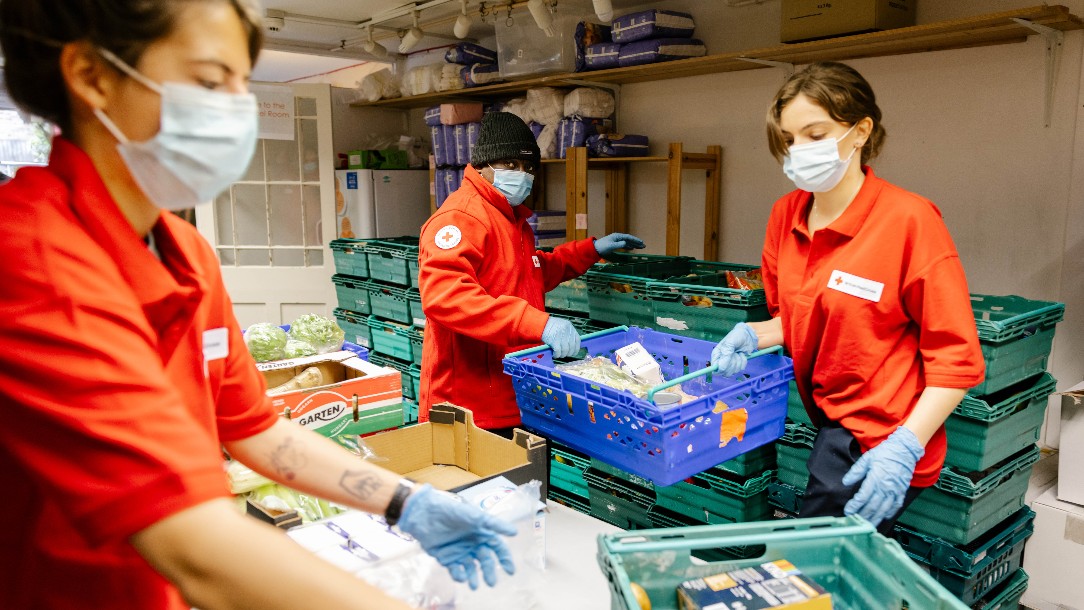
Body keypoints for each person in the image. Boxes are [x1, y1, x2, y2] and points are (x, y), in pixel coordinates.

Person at [0, 1, 517, 608]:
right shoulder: (32, 263)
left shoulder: (185, 251)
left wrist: (403, 499)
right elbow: (193, 542)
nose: (238, 111)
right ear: (92, 76)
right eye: (212, 82)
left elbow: (255, 429)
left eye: (243, 85)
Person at [711, 62, 985, 535]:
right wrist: (754, 335)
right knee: (840, 561)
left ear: (860, 132)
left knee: (813, 568)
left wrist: (904, 445)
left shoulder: (909, 221)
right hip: (832, 417)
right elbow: (798, 317)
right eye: (789, 140)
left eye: (815, 134)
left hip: (884, 434)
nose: (799, 152)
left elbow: (956, 361)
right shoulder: (786, 216)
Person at [418, 111, 645, 436]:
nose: (521, 175)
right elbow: (446, 298)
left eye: (528, 168)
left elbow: (531, 272)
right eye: (511, 165)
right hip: (468, 409)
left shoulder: (511, 219)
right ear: (483, 165)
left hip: (515, 392)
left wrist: (590, 250)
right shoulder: (460, 217)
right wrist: (539, 323)